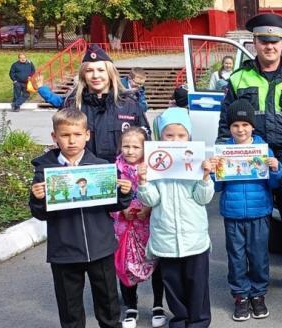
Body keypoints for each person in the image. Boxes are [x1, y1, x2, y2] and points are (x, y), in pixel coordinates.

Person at [219, 13, 282, 291]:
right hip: (246, 160)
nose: (269, 47)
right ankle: (248, 283)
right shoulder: (238, 78)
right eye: (263, 41)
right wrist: (223, 158)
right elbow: (226, 122)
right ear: (254, 42)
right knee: (247, 224)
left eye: (274, 41)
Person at [29, 109, 133, 328]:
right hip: (64, 252)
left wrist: (123, 194)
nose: (71, 140)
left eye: (77, 134)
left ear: (87, 135)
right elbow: (39, 213)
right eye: (65, 135)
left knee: (108, 307)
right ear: (54, 137)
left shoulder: (100, 167)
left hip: (101, 248)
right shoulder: (45, 170)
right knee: (70, 311)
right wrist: (38, 199)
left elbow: (111, 206)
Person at [137, 107, 215, 327]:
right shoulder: (156, 163)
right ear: (160, 136)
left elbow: (204, 198)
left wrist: (205, 177)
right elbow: (150, 200)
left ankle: (199, 321)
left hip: (194, 238)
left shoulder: (196, 162)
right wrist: (143, 181)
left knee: (197, 283)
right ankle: (180, 319)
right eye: (169, 135)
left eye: (181, 135)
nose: (175, 140)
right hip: (166, 237)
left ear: (189, 136)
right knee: (172, 283)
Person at [214, 99, 282, 321]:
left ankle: (258, 294)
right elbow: (217, 186)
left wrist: (276, 168)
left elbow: (274, 184)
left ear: (252, 126)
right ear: (230, 127)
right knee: (235, 257)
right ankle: (241, 296)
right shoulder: (224, 150)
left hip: (259, 212)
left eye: (245, 124)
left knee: (259, 256)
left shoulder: (263, 148)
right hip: (233, 213)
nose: (240, 129)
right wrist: (213, 170)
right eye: (235, 125)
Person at [112, 127, 166, 328]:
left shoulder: (153, 167)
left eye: (136, 147)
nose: (130, 151)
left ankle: (158, 305)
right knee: (125, 266)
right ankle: (131, 306)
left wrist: (149, 208)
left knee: (155, 263)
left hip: (149, 225)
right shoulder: (114, 168)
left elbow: (161, 193)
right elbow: (108, 196)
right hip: (123, 226)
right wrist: (121, 209)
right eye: (126, 146)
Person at [65, 45, 151, 163]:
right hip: (84, 177)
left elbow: (146, 143)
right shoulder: (72, 106)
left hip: (123, 178)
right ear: (83, 75)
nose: (95, 76)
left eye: (101, 70)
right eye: (89, 70)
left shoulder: (130, 105)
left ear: (110, 73)